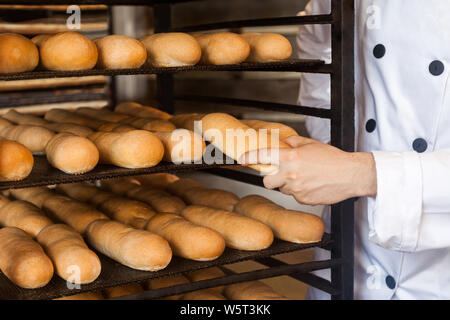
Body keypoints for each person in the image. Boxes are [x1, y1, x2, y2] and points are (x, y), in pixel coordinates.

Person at [240, 0, 450, 299]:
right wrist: (335, 145)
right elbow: (318, 31)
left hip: (439, 278)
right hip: (346, 264)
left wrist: (362, 173)